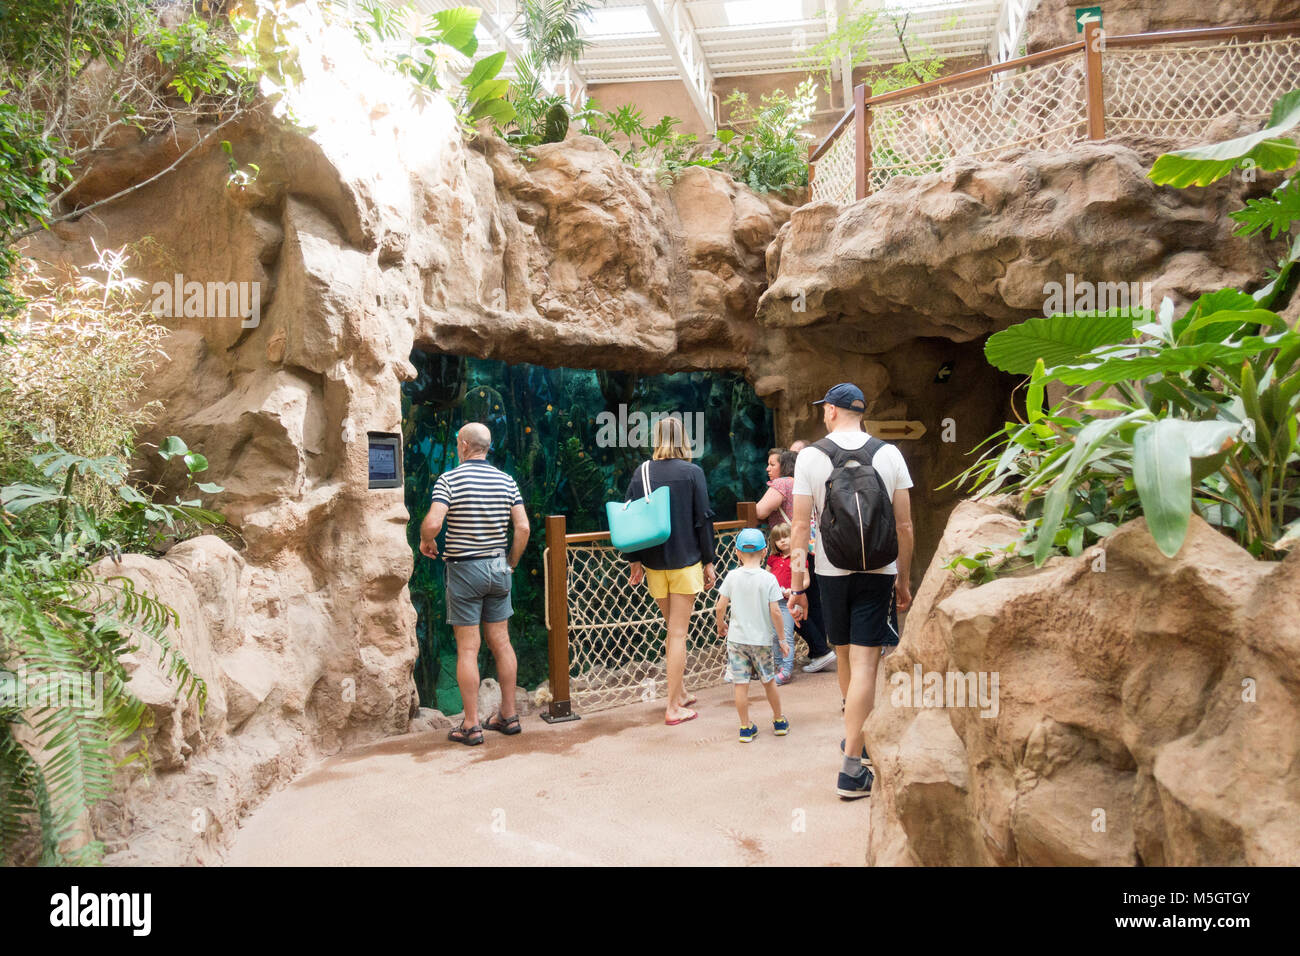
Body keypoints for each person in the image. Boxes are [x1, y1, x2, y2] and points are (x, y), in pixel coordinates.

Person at [789, 383, 914, 799]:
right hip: (879, 570)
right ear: (861, 412)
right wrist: (904, 578)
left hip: (831, 571)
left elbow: (800, 525)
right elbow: (905, 526)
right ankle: (854, 754)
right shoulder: (889, 453)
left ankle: (851, 755)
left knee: (843, 654)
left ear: (830, 412)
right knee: (866, 664)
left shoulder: (810, 455)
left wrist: (797, 584)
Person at [419, 422, 530, 746]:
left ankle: (470, 724)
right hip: (498, 567)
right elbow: (522, 527)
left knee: (468, 647)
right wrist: (511, 562)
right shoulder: (506, 480)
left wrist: (427, 539)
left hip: (465, 569)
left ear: (464, 445)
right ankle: (508, 715)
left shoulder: (450, 479)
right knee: (502, 642)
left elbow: (435, 522)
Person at [625, 416, 717, 725]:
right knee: (678, 633)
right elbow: (703, 518)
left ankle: (680, 692)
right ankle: (673, 708)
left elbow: (632, 516)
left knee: (672, 630)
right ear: (684, 438)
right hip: (684, 561)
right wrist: (710, 560)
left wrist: (634, 560)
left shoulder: (642, 471)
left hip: (653, 564)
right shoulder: (692, 472)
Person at [758, 447, 836, 674]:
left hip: (791, 553)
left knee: (788, 603)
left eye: (773, 464)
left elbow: (761, 510)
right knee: (811, 602)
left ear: (784, 465)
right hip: (810, 549)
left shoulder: (782, 484)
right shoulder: (804, 482)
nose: (768, 469)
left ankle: (821, 651)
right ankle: (819, 651)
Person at [716, 528, 789, 743]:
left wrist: (721, 625)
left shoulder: (732, 576)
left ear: (737, 552)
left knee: (741, 684)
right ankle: (778, 721)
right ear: (765, 551)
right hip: (761, 641)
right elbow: (776, 611)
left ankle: (745, 728)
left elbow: (720, 606)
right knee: (769, 681)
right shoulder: (769, 579)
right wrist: (782, 640)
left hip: (737, 640)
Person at [765, 522, 797, 684]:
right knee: (773, 636)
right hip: (773, 602)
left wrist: (794, 590)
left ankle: (787, 668)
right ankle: (778, 665)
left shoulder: (797, 557)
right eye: (778, 539)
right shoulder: (772, 559)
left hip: (789, 603)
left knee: (786, 636)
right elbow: (765, 577)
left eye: (786, 537)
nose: (782, 541)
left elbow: (805, 580)